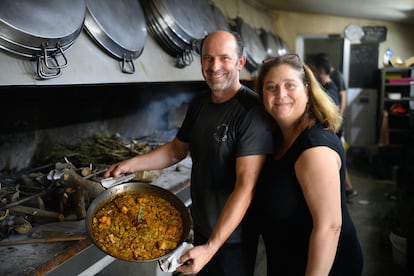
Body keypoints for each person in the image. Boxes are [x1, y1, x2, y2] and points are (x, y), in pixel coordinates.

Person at [104, 30, 275, 276]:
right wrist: (130, 164)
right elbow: (176, 150)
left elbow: (245, 187)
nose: (215, 66)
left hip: (233, 238)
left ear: (240, 62)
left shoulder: (251, 113)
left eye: (224, 58)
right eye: (208, 58)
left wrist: (212, 246)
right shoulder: (200, 104)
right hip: (203, 225)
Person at [251, 54, 363, 275]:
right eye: (271, 87)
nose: (280, 94)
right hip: (288, 260)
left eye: (289, 85)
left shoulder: (314, 148)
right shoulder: (279, 137)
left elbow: (329, 227)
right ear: (262, 95)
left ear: (307, 90)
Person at [312, 53, 358, 199]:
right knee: (338, 159)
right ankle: (348, 189)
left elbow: (332, 113)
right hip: (335, 129)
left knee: (337, 160)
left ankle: (348, 189)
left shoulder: (330, 89)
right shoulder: (328, 86)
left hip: (334, 129)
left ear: (319, 71)